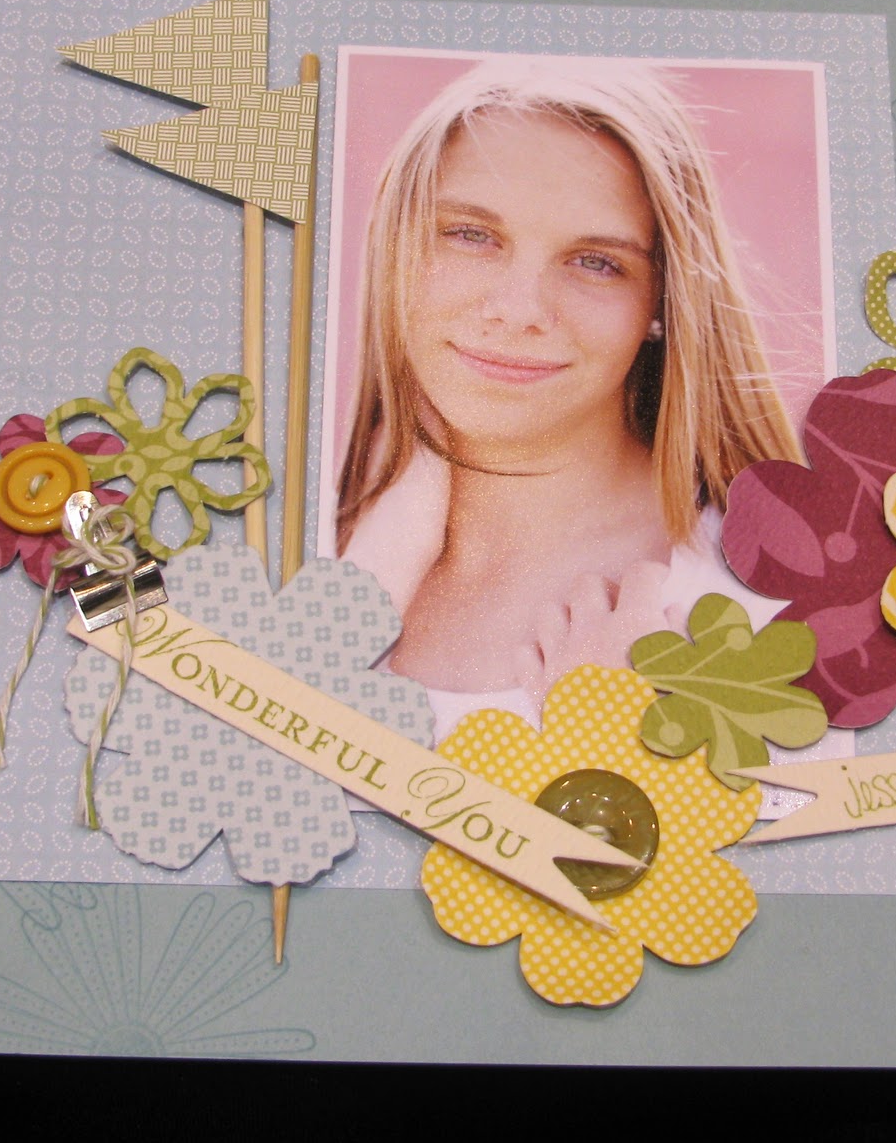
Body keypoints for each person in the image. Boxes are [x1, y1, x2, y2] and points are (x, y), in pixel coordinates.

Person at [335, 56, 805, 724]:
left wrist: (609, 739)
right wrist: (369, 579)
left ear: (662, 301)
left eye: (595, 262)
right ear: (394, 247)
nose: (519, 309)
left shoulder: (758, 596)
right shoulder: (288, 529)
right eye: (470, 234)